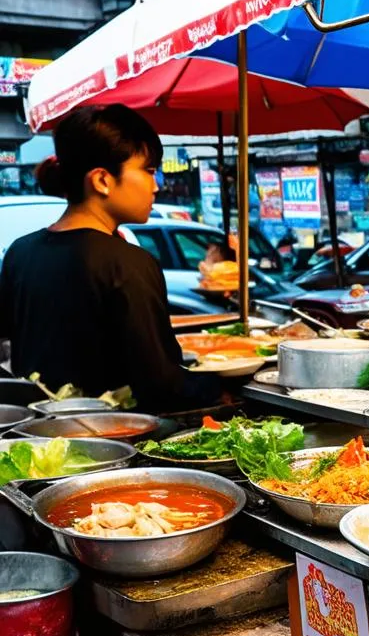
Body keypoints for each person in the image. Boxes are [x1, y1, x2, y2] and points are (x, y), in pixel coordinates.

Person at [0, 104, 220, 413]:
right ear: (102, 180)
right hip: (117, 439)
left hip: (36, 433)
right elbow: (161, 383)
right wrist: (223, 387)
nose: (156, 186)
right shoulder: (128, 263)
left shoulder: (19, 253)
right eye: (148, 170)